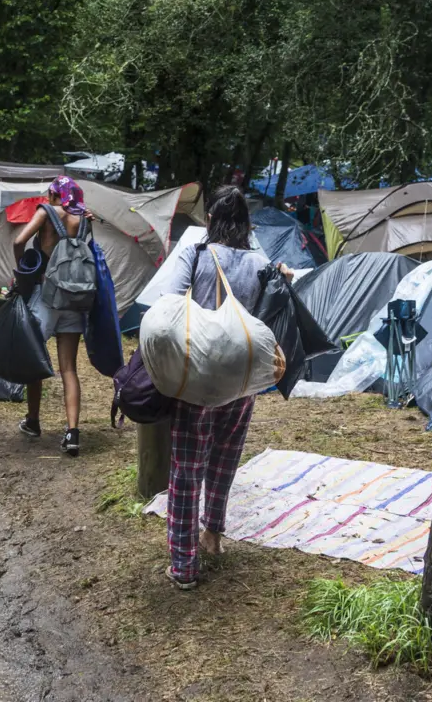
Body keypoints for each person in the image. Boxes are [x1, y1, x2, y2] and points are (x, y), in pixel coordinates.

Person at [156, 186, 288, 590]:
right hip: (243, 377)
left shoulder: (196, 253)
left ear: (209, 220)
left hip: (197, 376)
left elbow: (168, 302)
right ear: (247, 225)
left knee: (186, 471)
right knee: (225, 461)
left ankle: (184, 565)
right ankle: (212, 538)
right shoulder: (261, 261)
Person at [11, 176, 91, 456]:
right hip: (75, 298)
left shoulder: (46, 212)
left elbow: (18, 240)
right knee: (68, 368)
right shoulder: (84, 219)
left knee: (36, 358)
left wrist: (23, 271)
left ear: (56, 195)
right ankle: (72, 433)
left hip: (46, 296)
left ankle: (33, 421)